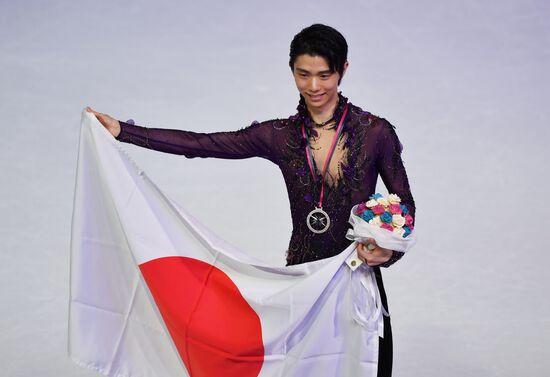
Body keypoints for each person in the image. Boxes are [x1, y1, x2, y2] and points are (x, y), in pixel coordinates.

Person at [86, 23, 415, 377]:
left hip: (355, 277)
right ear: (292, 71)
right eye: (303, 74)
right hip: (302, 281)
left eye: (325, 75)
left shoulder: (376, 133)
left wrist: (388, 250)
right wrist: (124, 131)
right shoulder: (280, 136)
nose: (314, 86)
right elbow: (203, 144)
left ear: (343, 70)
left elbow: (405, 206)